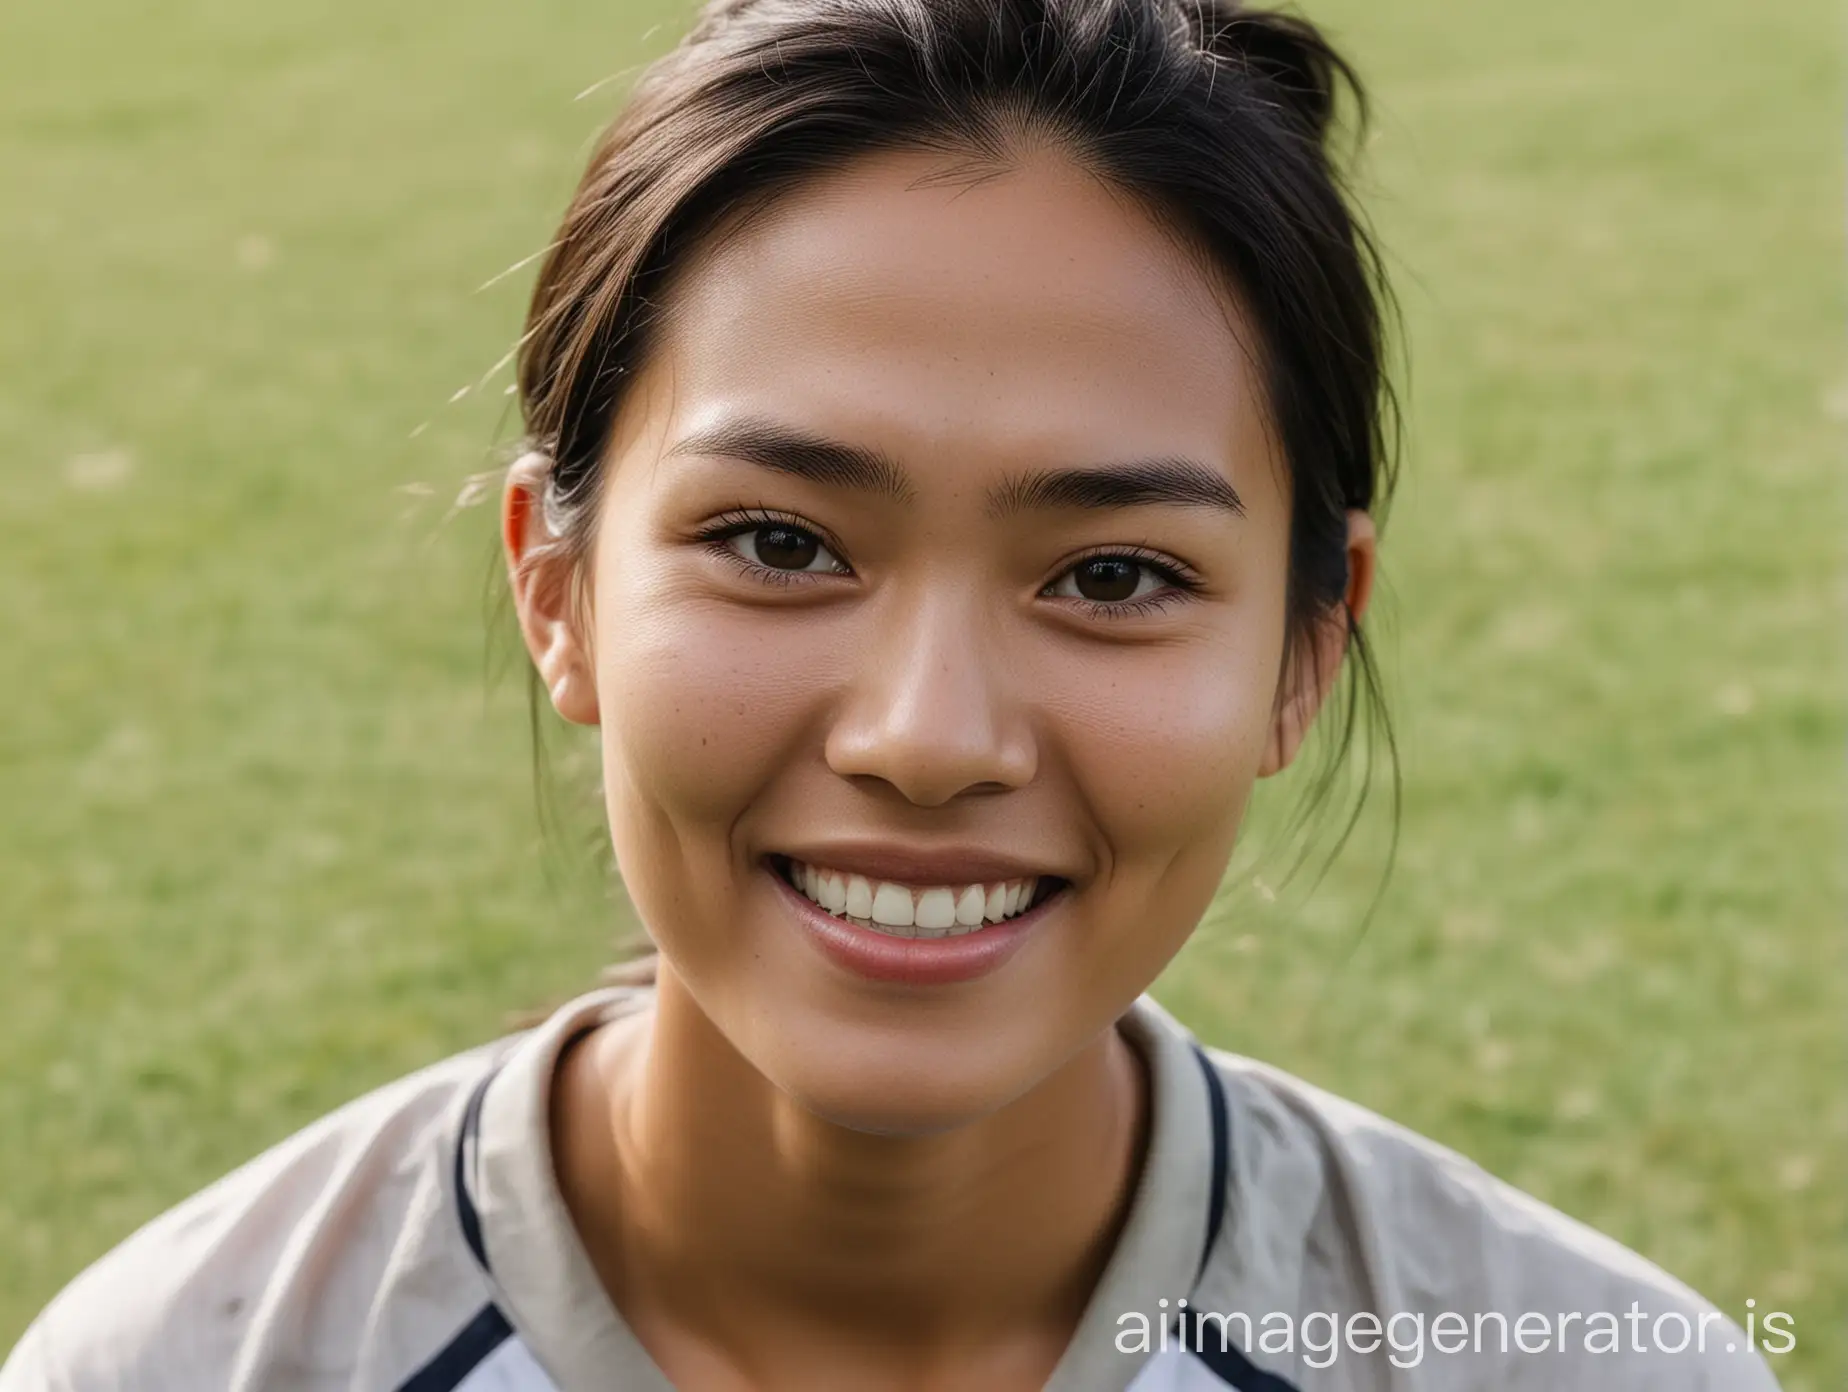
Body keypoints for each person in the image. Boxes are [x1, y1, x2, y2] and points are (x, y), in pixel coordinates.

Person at [2, 0, 1783, 1388]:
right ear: (555, 584)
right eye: (781, 544)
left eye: (1113, 577)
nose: (927, 738)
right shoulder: (185, 1363)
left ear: (1307, 652)